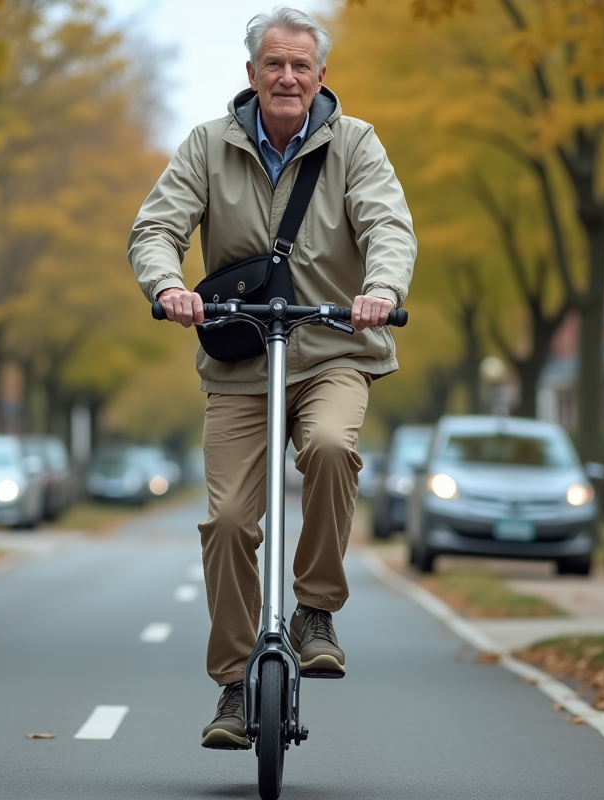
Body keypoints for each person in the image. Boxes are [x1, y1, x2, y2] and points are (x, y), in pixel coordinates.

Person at [128, 7, 416, 751]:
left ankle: (315, 608)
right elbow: (157, 227)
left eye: (301, 65)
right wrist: (168, 286)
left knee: (327, 447)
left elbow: (388, 225)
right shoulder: (207, 145)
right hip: (241, 361)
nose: (287, 77)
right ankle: (232, 683)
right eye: (273, 65)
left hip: (332, 350)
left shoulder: (356, 145)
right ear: (251, 74)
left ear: (321, 76)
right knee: (227, 524)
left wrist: (380, 290)